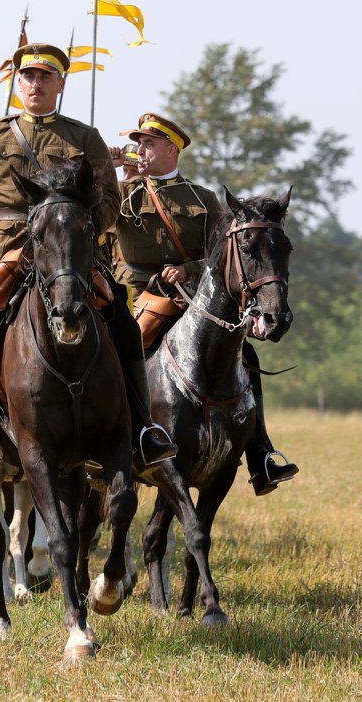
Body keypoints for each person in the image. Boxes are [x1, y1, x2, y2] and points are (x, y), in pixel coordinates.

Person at [0, 43, 178, 488]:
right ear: (18, 82)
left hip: (70, 256)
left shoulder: (84, 137)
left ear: (60, 84)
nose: (35, 84)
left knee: (124, 324)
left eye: (45, 77)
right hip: (4, 255)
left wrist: (75, 223)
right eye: (28, 76)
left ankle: (143, 430)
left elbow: (108, 201)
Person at [110, 112, 299, 494]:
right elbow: (89, 218)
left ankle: (260, 453)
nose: (140, 149)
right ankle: (110, 442)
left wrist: (188, 268)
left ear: (171, 149)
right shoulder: (122, 193)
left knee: (244, 354)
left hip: (195, 297)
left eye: (148, 143)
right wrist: (106, 171)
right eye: (138, 143)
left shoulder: (202, 198)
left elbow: (223, 253)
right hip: (137, 294)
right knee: (117, 348)